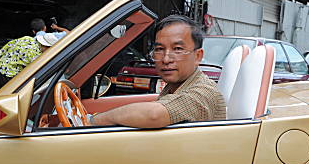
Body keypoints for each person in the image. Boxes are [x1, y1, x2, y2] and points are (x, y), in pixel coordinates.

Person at [89, 15, 225, 128]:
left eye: (177, 49)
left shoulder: (203, 92)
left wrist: (92, 121)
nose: (166, 59)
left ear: (197, 56)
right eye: (159, 49)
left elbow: (154, 115)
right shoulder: (176, 87)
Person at [0, 19, 70, 90]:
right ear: (46, 46)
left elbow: (10, 44)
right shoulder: (36, 56)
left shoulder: (28, 38)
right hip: (8, 75)